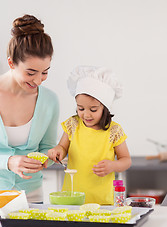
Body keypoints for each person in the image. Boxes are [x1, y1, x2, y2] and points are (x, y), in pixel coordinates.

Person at [0, 14, 59, 203]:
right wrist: (8, 162)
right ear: (11, 63)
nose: (38, 80)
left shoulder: (49, 101)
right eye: (31, 73)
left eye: (45, 72)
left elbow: (46, 147)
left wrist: (49, 156)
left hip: (31, 196)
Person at [47, 66, 131, 204]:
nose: (86, 114)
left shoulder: (114, 131)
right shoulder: (73, 125)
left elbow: (126, 160)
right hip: (72, 198)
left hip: (102, 201)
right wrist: (57, 151)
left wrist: (112, 166)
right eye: (80, 108)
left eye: (93, 109)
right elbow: (62, 146)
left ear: (105, 108)